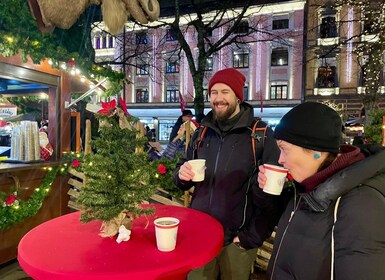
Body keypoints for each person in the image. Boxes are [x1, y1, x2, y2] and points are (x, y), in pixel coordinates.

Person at [173, 68, 283, 280]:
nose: (218, 98)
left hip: (236, 241)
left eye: (225, 92)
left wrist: (251, 237)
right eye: (213, 92)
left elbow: (274, 195)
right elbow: (181, 173)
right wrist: (181, 174)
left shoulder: (260, 134)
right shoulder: (201, 132)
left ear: (238, 97)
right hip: (200, 236)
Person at [257, 102, 385, 279]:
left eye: (284, 150)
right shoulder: (307, 187)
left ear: (316, 151)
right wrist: (268, 192)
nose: (280, 159)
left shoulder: (362, 204)